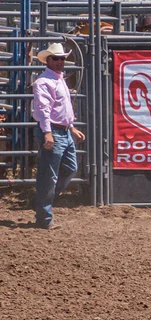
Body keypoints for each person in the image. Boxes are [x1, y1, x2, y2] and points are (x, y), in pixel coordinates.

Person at [32, 43, 85, 229]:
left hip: (62, 131)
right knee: (50, 176)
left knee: (70, 169)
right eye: (56, 58)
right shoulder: (44, 82)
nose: (60, 61)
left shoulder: (57, 79)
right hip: (53, 131)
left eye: (62, 58)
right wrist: (47, 133)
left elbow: (60, 108)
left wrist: (71, 127)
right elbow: (43, 110)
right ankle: (44, 216)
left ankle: (43, 202)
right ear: (48, 60)